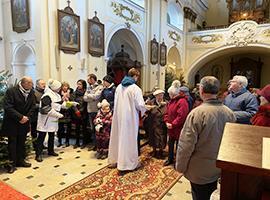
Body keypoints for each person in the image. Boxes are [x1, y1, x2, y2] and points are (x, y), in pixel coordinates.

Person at [176, 76, 236, 200]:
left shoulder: (197, 113)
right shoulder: (229, 113)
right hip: (220, 166)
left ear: (201, 90)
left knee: (199, 196)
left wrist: (180, 166)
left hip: (200, 169)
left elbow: (186, 145)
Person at [108, 68, 146, 173]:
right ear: (135, 76)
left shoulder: (119, 87)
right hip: (130, 118)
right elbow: (140, 105)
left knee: (118, 137)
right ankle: (128, 164)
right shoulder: (135, 88)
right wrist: (145, 110)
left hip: (119, 116)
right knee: (129, 140)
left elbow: (115, 102)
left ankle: (116, 160)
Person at [2, 76, 36, 173]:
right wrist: (20, 117)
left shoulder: (31, 92)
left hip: (24, 122)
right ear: (23, 83)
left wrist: (27, 117)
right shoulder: (11, 91)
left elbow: (33, 106)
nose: (31, 85)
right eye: (30, 83)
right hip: (12, 122)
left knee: (21, 142)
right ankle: (11, 164)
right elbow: (8, 107)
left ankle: (20, 161)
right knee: (12, 144)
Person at [35, 79, 64, 162]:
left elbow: (60, 104)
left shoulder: (57, 95)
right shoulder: (46, 96)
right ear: (54, 88)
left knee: (52, 135)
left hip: (53, 120)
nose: (60, 89)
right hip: (45, 120)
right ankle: (38, 154)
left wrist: (70, 104)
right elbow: (45, 109)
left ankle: (50, 151)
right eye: (58, 87)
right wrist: (58, 115)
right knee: (41, 137)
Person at [163, 80, 189, 166]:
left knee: (179, 146)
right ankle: (170, 159)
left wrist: (173, 124)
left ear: (174, 94)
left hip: (178, 128)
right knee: (170, 144)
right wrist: (166, 121)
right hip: (171, 128)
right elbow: (166, 112)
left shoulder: (182, 101)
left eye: (170, 94)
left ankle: (178, 162)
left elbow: (181, 116)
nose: (169, 96)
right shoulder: (171, 101)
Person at [145, 89, 167, 158]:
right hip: (153, 123)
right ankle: (154, 150)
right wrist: (148, 108)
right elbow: (146, 112)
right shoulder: (151, 103)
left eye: (161, 95)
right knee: (153, 137)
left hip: (162, 123)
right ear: (156, 96)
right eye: (159, 96)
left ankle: (161, 151)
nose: (160, 97)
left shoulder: (166, 103)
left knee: (161, 137)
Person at [83, 74, 103, 150]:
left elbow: (97, 96)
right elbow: (85, 98)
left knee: (98, 128)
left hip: (97, 110)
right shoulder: (88, 87)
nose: (87, 81)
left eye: (88, 79)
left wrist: (90, 96)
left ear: (92, 79)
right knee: (92, 129)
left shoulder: (99, 87)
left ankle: (99, 145)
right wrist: (92, 97)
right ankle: (94, 144)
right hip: (90, 110)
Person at [70, 79, 88, 148]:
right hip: (76, 113)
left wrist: (81, 111)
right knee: (77, 128)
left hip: (83, 113)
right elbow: (72, 102)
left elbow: (85, 103)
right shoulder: (74, 93)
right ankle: (77, 142)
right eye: (78, 84)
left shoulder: (86, 92)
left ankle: (84, 142)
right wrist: (76, 111)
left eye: (80, 84)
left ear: (83, 85)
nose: (78, 85)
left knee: (84, 129)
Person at [31, 79, 46, 150]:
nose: (44, 85)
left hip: (42, 115)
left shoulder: (45, 92)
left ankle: (41, 144)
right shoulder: (33, 93)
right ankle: (35, 145)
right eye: (42, 84)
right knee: (34, 131)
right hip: (35, 115)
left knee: (42, 131)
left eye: (44, 83)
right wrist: (42, 105)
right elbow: (32, 105)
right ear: (37, 85)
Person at [57, 82, 73, 147]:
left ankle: (67, 141)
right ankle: (59, 141)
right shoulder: (58, 94)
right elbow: (57, 103)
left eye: (66, 86)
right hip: (60, 112)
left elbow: (72, 103)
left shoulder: (70, 93)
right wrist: (62, 100)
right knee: (60, 128)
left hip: (68, 112)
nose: (65, 87)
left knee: (68, 128)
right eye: (63, 86)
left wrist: (68, 100)